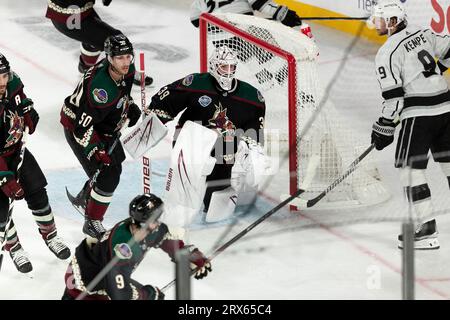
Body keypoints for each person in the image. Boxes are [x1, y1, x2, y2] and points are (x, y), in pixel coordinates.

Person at [147, 45, 266, 223]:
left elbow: (254, 133)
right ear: (213, 66)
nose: (227, 72)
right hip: (191, 144)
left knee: (215, 209)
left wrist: (249, 150)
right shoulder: (196, 83)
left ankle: (219, 189)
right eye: (223, 67)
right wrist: (152, 119)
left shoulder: (252, 98)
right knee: (183, 197)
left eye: (231, 67)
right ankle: (176, 210)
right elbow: (166, 100)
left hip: (223, 150)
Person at [369, 0, 450, 249]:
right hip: (446, 107)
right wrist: (439, 68)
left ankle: (426, 230)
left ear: (392, 21)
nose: (375, 23)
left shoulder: (386, 53)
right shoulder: (423, 32)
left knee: (410, 170)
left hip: (419, 115)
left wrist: (384, 126)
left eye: (380, 19)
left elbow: (394, 98)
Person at [60, 34, 142, 238]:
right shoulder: (101, 89)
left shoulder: (127, 69)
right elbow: (82, 127)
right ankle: (92, 221)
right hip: (79, 127)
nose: (126, 62)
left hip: (104, 125)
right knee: (107, 175)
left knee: (117, 164)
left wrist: (129, 106)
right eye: (120, 57)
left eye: (128, 56)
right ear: (109, 58)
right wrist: (96, 149)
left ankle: (85, 196)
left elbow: (122, 92)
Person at [61, 193, 211, 300]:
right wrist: (148, 294)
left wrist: (191, 257)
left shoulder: (146, 227)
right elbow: (119, 294)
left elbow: (166, 240)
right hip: (84, 285)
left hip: (104, 276)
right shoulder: (122, 248)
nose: (157, 223)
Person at [0, 53, 71, 274]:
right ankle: (13, 246)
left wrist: (28, 110)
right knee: (2, 212)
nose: (3, 82)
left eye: (4, 75)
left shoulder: (10, 82)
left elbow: (20, 96)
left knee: (37, 191)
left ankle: (50, 235)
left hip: (16, 149)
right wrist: (6, 177)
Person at [45, 0, 153, 86]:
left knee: (94, 40)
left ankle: (85, 66)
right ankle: (128, 74)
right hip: (70, 17)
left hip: (77, 12)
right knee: (118, 42)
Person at [190, 0, 303, 29]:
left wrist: (218, 23)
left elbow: (195, 20)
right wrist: (283, 14)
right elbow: (259, 2)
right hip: (244, 28)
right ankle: (282, 80)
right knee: (270, 58)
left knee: (251, 61)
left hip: (218, 37)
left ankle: (267, 84)